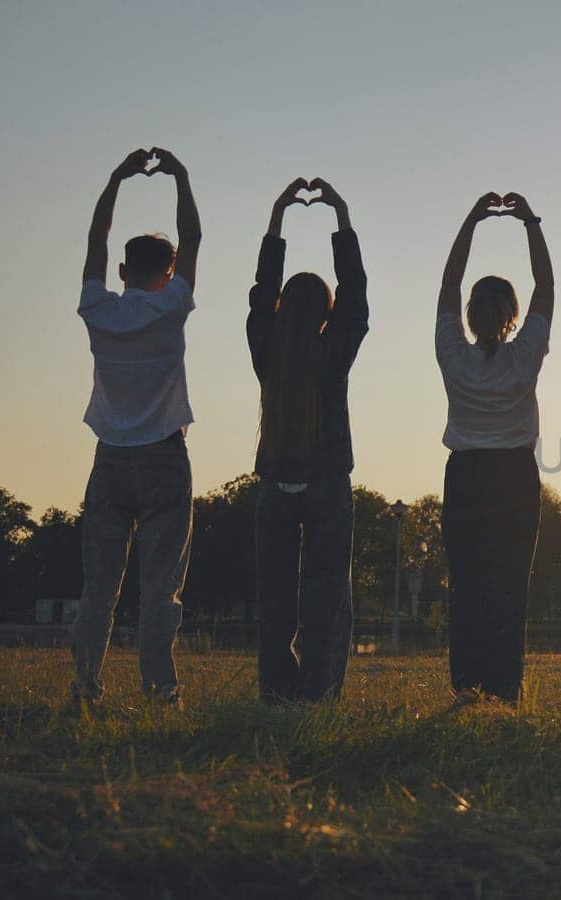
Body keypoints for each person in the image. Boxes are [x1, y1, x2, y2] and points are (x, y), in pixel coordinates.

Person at [70, 147, 202, 709]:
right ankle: (158, 690)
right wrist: (181, 176)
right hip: (164, 458)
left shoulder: (98, 309)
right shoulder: (171, 306)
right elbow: (192, 239)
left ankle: (85, 687)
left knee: (99, 587)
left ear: (122, 272)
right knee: (159, 587)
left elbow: (95, 241)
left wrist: (115, 180)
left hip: (110, 458)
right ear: (168, 272)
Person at [248, 177, 368, 703]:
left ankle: (277, 691)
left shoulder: (267, 351)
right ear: (325, 311)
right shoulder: (333, 353)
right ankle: (319, 692)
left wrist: (278, 216)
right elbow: (356, 293)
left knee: (275, 598)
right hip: (326, 487)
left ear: (280, 310)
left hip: (276, 486)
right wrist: (339, 216)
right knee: (327, 599)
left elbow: (261, 291)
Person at [435, 191, 554, 703]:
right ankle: (504, 690)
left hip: (465, 476)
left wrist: (473, 220)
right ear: (512, 316)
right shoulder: (525, 354)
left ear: (469, 314)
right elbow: (545, 284)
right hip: (514, 477)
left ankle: (467, 687)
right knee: (509, 587)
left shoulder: (451, 353)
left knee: (466, 585)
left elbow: (448, 282)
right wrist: (528, 221)